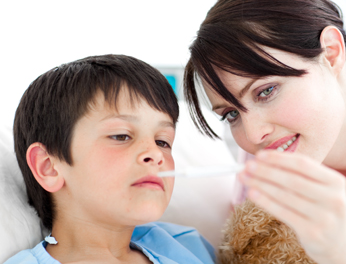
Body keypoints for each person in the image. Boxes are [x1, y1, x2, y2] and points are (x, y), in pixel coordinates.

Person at [183, 0, 346, 264]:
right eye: (232, 114)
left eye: (266, 91)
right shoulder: (268, 169)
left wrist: (345, 250)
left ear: (331, 52)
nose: (253, 135)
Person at [6, 54, 215, 264]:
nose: (156, 154)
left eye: (162, 141)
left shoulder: (186, 245)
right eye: (121, 136)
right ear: (48, 167)